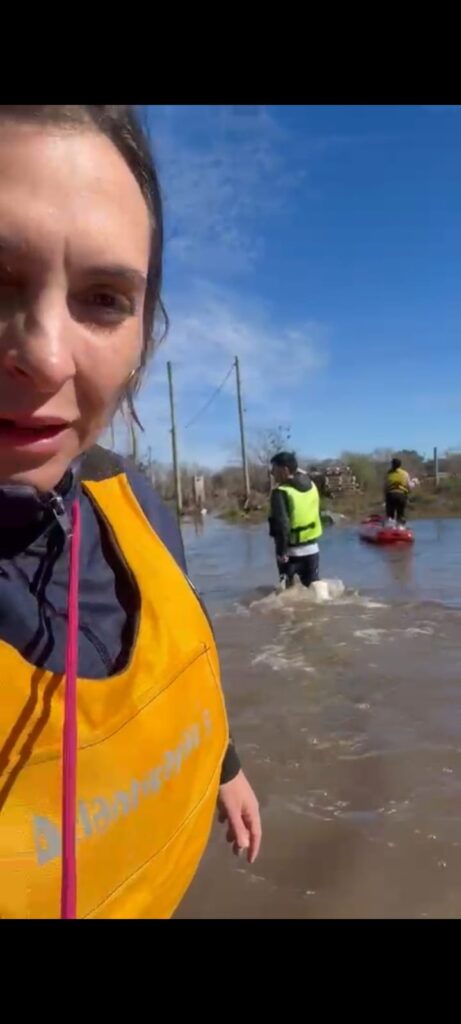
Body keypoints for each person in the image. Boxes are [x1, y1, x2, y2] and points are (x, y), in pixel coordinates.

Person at [0, 105, 261, 919]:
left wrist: (224, 768)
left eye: (105, 298)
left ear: (144, 333)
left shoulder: (130, 494)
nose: (44, 354)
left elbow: (187, 646)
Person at [269, 451, 323, 588]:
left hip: (291, 553)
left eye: (274, 469)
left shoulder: (280, 492)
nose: (271, 473)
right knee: (314, 590)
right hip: (313, 550)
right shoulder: (312, 485)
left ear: (284, 470)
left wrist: (281, 552)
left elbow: (282, 525)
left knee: (287, 594)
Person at [385, 457, 411, 524]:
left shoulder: (388, 473)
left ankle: (390, 525)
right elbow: (409, 486)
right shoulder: (405, 473)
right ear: (400, 465)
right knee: (401, 513)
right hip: (401, 496)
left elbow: (385, 486)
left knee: (390, 514)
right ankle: (401, 526)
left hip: (391, 495)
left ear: (392, 465)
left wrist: (385, 497)